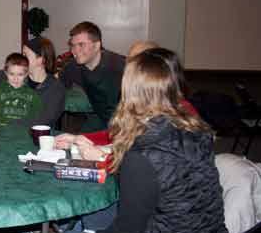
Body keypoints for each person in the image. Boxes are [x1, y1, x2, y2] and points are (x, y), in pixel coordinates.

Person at [52, 51, 229, 233]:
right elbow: (161, 178)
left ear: (131, 91)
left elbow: (126, 232)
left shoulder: (142, 155)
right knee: (98, 211)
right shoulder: (195, 130)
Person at [56, 47, 197, 159]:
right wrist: (78, 138)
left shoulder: (181, 114)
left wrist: (103, 157)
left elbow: (150, 165)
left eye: (136, 64)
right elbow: (119, 134)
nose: (127, 68)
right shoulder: (146, 107)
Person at [60, 21, 126, 131]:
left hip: (125, 121)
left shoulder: (120, 67)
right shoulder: (74, 66)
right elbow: (55, 85)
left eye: (81, 45)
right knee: (76, 143)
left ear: (96, 45)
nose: (75, 51)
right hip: (99, 118)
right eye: (73, 45)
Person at [0, 53, 42, 126]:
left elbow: (37, 115)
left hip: (24, 130)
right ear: (6, 73)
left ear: (26, 74)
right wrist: (3, 124)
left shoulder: (33, 94)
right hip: (3, 130)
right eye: (12, 74)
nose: (15, 78)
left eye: (20, 74)